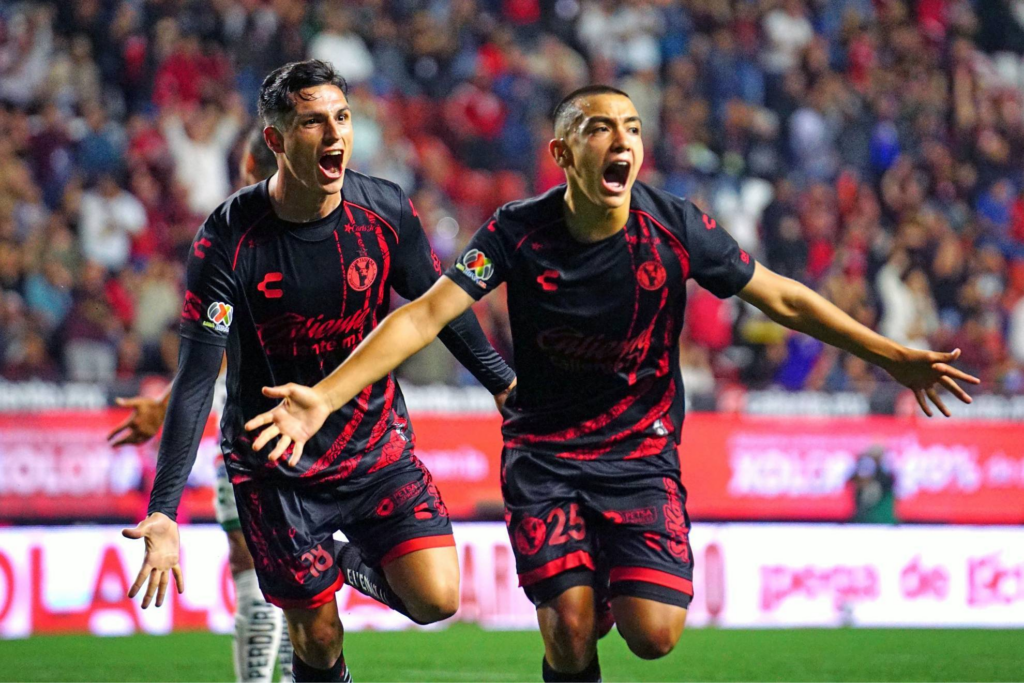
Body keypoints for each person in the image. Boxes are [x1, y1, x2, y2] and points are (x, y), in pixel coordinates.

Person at [243, 85, 980, 682]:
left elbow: (780, 295)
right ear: (564, 153)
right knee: (567, 629)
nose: (621, 138)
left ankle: (602, 597)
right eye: (599, 127)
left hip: (640, 458)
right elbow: (426, 313)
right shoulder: (514, 232)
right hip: (545, 457)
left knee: (654, 636)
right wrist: (325, 393)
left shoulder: (675, 226)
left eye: (630, 126)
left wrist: (888, 353)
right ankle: (573, 622)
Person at [120, 60, 516, 683]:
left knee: (437, 598)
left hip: (374, 449)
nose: (334, 135)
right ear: (275, 141)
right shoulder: (227, 239)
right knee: (319, 639)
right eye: (312, 123)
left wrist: (503, 383)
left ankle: (337, 558)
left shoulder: (384, 211)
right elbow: (198, 379)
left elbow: (438, 305)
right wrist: (165, 510)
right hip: (276, 465)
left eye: (341, 118)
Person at [109, 128, 295, 683]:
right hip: (307, 432)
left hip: (255, 432)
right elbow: (210, 354)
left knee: (261, 567)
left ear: (253, 167)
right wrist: (167, 403)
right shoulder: (309, 239)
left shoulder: (234, 242)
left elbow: (211, 353)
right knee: (288, 571)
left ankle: (264, 680)